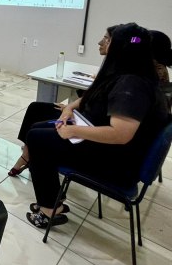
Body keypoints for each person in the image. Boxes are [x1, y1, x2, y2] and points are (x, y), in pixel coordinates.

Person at [23, 23, 169, 228]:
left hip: (116, 163)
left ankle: (49, 210)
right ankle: (52, 200)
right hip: (114, 151)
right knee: (38, 129)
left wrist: (73, 130)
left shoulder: (133, 85)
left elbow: (121, 134)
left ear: (120, 49)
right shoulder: (132, 75)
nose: (102, 44)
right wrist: (69, 110)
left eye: (109, 41)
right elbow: (94, 98)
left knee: (38, 139)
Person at [9, 25, 119, 177]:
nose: (100, 42)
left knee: (37, 131)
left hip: (86, 129)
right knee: (35, 108)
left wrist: (74, 114)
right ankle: (27, 154)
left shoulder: (124, 81)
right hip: (82, 117)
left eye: (106, 39)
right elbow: (93, 97)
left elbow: (106, 119)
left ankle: (29, 157)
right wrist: (71, 107)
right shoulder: (110, 68)